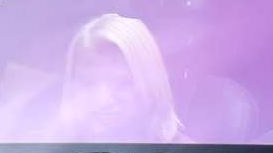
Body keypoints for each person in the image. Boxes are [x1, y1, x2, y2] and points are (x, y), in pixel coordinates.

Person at [53, 13, 184, 142]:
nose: (103, 101)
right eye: (87, 82)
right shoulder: (41, 149)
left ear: (152, 86)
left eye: (122, 84)